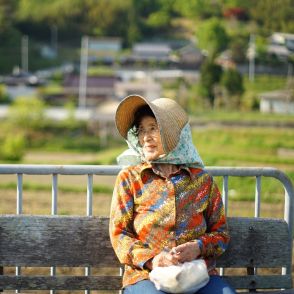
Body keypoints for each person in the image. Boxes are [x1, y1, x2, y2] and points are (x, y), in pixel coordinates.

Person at [109, 94, 236, 294]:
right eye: (141, 131)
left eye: (153, 129)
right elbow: (119, 234)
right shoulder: (130, 178)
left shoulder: (202, 181)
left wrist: (198, 247)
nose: (146, 138)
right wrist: (153, 259)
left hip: (197, 275)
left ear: (174, 134)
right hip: (146, 276)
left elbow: (221, 233)